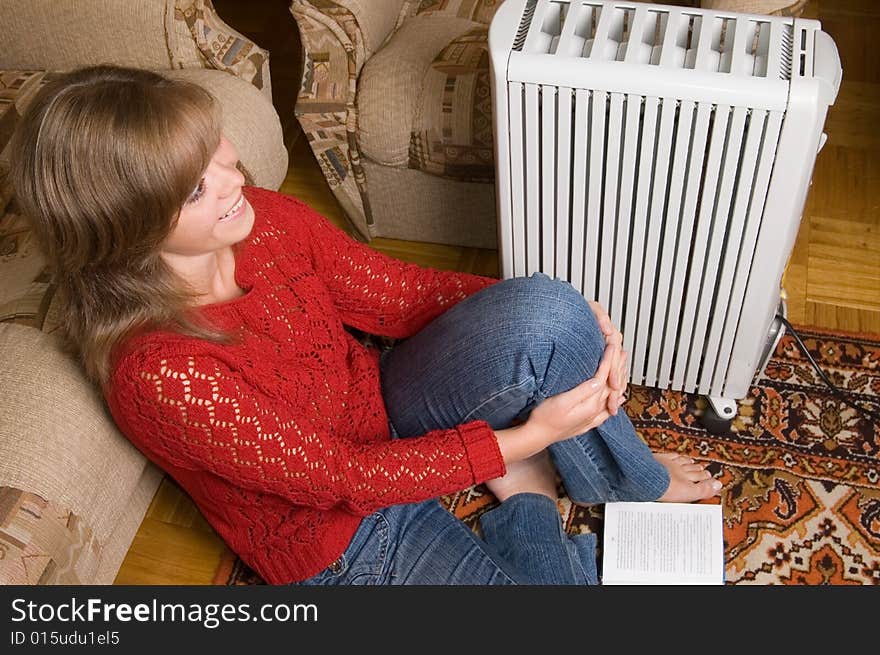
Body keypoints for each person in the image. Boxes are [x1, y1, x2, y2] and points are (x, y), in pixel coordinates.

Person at [10, 65, 722, 586]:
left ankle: (629, 482)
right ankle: (528, 499)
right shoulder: (161, 373)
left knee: (550, 310)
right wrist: (527, 437)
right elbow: (340, 477)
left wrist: (563, 310)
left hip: (378, 403)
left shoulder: (257, 219)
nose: (233, 178)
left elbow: (400, 292)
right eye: (196, 186)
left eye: (213, 147)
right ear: (129, 229)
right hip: (338, 535)